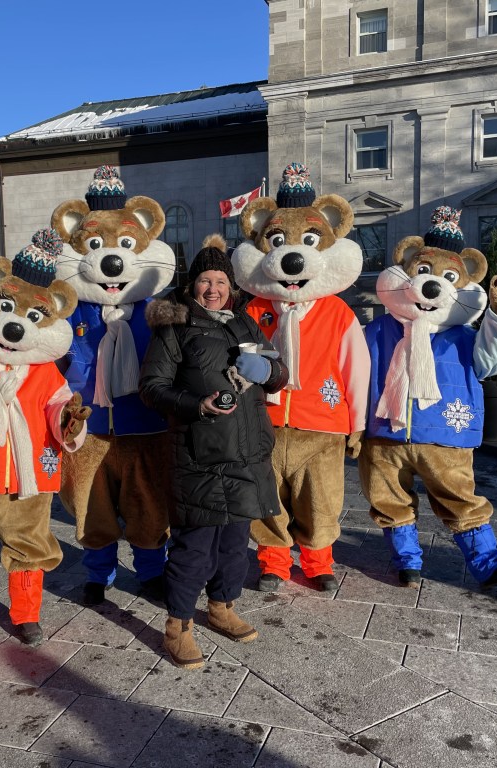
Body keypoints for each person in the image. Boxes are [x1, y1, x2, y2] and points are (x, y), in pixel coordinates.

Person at [139, 236, 289, 670]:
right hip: (199, 453)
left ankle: (222, 607)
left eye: (220, 280)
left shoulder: (245, 324)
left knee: (233, 544)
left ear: (231, 285)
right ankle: (177, 627)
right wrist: (195, 404)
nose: (212, 288)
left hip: (247, 452)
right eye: (205, 280)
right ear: (192, 286)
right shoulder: (175, 328)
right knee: (194, 547)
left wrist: (268, 370)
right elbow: (152, 388)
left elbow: (278, 374)